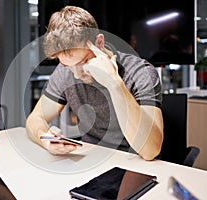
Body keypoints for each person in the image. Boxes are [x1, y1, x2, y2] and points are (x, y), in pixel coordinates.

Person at [26, 6, 163, 161]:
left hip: (135, 163)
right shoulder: (64, 72)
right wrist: (45, 138)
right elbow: (35, 118)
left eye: (84, 62)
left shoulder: (140, 72)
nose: (77, 74)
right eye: (67, 65)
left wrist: (114, 84)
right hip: (92, 161)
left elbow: (150, 151)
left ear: (99, 42)